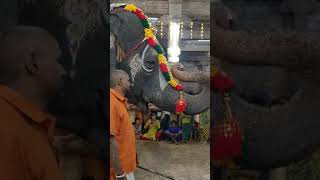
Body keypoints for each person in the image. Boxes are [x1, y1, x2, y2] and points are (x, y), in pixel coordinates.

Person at [0, 26, 66, 179]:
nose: (63, 70)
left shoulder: (26, 124)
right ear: (33, 63)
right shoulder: (5, 130)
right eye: (58, 60)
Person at [110, 70, 136, 180]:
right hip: (120, 171)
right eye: (128, 80)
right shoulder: (112, 102)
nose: (130, 83)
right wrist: (119, 174)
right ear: (120, 81)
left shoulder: (119, 101)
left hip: (126, 167)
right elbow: (110, 141)